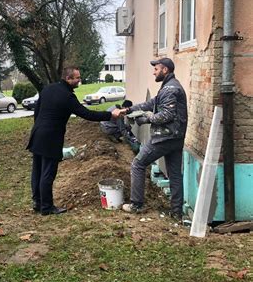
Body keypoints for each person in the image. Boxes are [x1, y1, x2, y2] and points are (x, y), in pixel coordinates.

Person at [27, 66, 124, 215]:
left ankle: (37, 203)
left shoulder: (48, 89)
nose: (80, 80)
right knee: (48, 173)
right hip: (51, 137)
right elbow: (86, 114)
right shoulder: (67, 96)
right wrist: (110, 115)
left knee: (37, 170)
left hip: (37, 133)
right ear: (68, 79)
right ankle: (46, 207)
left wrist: (38, 127)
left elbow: (37, 111)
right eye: (77, 78)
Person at [121, 58, 188, 220]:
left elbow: (167, 115)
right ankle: (176, 212)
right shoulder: (168, 87)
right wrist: (128, 109)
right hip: (176, 137)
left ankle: (136, 204)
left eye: (156, 69)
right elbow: (151, 103)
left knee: (138, 164)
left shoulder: (170, 89)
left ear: (165, 70)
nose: (154, 72)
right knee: (175, 175)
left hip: (165, 137)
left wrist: (147, 119)